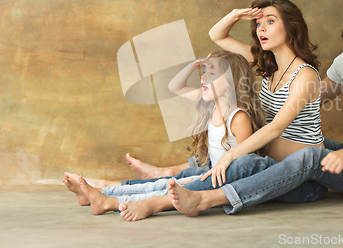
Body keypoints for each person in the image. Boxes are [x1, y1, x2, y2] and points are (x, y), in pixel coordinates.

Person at [167, 0, 343, 217]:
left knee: (307, 155)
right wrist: (237, 14)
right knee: (299, 145)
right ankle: (180, 173)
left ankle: (208, 198)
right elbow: (316, 97)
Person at [116, 0, 327, 221]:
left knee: (234, 162)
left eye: (270, 22)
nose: (261, 29)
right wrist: (236, 14)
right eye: (258, 23)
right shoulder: (267, 65)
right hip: (266, 165)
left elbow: (275, 129)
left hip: (302, 180)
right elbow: (217, 35)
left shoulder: (305, 74)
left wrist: (230, 156)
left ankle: (154, 202)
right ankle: (136, 185)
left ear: (292, 27)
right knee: (220, 162)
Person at [63, 51, 264, 217]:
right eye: (203, 72)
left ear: (233, 82)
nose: (203, 78)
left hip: (218, 180)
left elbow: (244, 163)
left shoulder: (238, 117)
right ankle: (96, 193)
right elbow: (174, 86)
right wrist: (193, 65)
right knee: (157, 185)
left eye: (211, 74)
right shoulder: (211, 105)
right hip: (208, 172)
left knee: (160, 189)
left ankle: (108, 201)